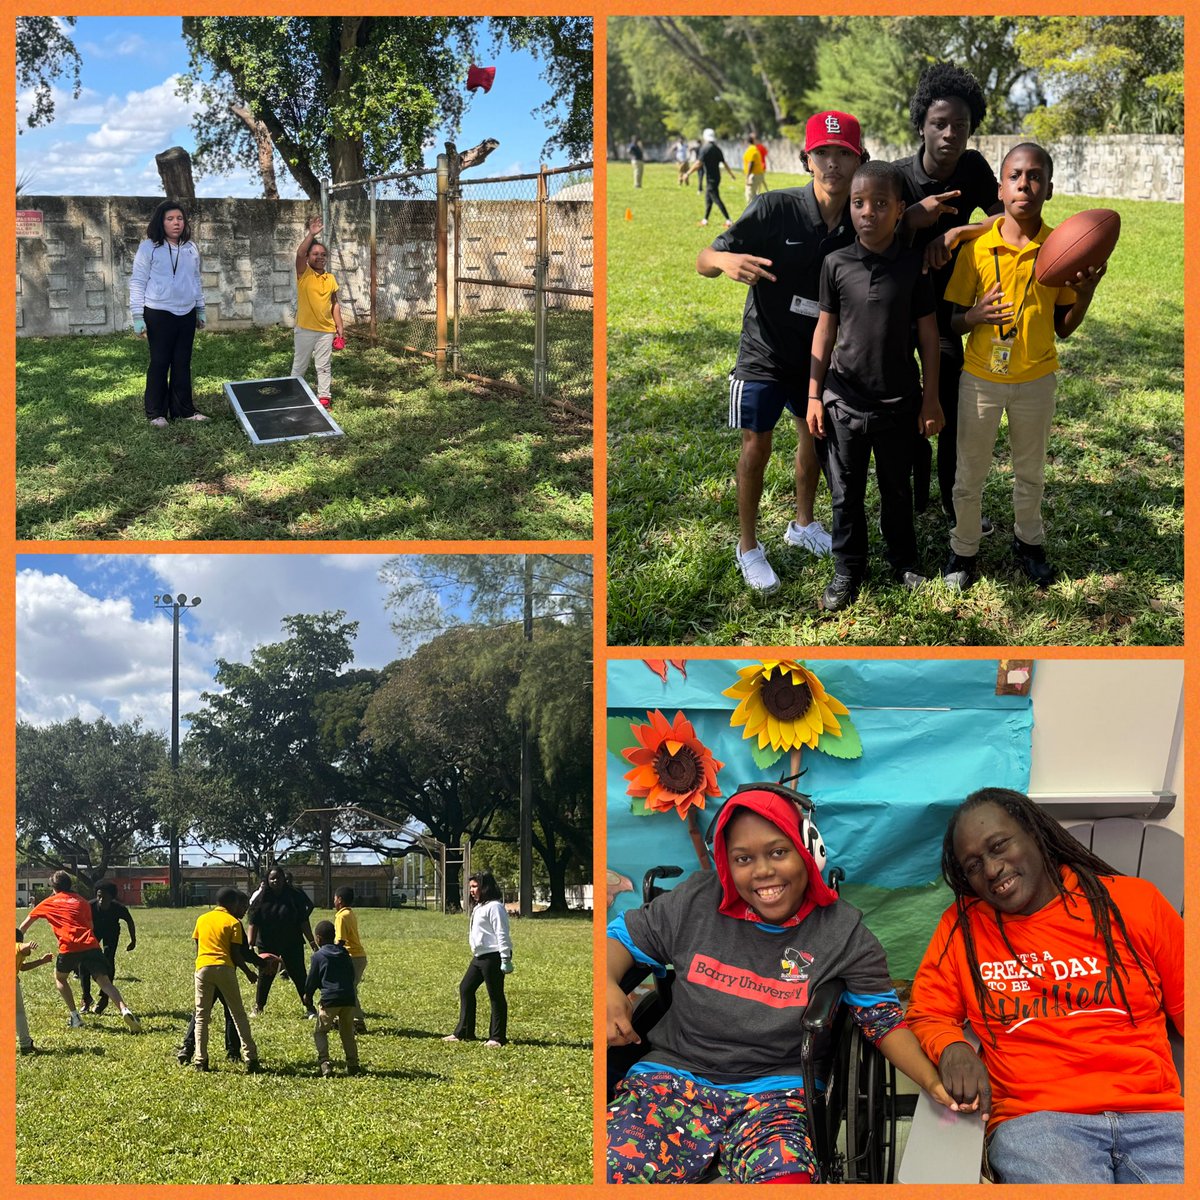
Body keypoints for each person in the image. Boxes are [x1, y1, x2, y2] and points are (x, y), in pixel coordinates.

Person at [606, 786, 955, 1183]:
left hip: (777, 1095)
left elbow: (883, 1021)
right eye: (743, 859)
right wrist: (605, 985)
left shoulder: (844, 933)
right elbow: (620, 939)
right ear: (725, 862)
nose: (762, 871)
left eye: (777, 852)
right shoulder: (695, 902)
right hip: (673, 1078)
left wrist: (932, 1082)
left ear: (809, 853)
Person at [907, 789, 1183, 1184]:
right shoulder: (964, 927)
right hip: (1039, 1123)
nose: (990, 870)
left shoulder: (1134, 905)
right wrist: (952, 1047)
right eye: (972, 865)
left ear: (1035, 834)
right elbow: (929, 1011)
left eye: (999, 846)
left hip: (1158, 1120)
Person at [697, 110, 867, 594]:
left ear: (858, 160)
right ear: (806, 158)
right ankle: (748, 546)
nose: (832, 163)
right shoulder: (774, 209)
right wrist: (725, 260)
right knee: (757, 446)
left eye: (843, 154)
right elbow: (704, 258)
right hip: (764, 351)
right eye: (823, 153)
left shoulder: (860, 221)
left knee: (812, 439)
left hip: (817, 354)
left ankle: (803, 524)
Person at [941, 143, 1105, 591]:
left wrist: (1086, 292)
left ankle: (1028, 543)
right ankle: (964, 550)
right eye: (1015, 176)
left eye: (1035, 177)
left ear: (1049, 189)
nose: (1024, 185)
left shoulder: (1061, 249)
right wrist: (973, 317)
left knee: (1030, 472)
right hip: (980, 379)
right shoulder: (976, 248)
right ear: (1000, 187)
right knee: (969, 473)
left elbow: (1064, 328)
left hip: (1035, 380)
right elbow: (950, 319)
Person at [808, 160, 943, 611]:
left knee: (896, 490)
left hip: (899, 404)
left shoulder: (912, 266)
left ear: (900, 210)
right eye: (859, 203)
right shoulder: (835, 263)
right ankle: (848, 567)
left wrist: (930, 399)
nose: (868, 212)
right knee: (845, 493)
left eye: (881, 204)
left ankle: (903, 560)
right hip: (844, 401)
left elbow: (928, 335)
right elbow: (824, 331)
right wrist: (814, 395)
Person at [894, 62, 1003, 526]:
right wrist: (910, 219)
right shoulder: (896, 179)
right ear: (921, 126)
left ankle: (951, 502)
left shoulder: (974, 168)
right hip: (897, 315)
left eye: (961, 126)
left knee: (954, 412)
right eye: (939, 124)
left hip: (946, 316)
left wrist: (960, 230)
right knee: (905, 410)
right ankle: (913, 502)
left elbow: (1008, 218)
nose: (950, 135)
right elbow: (867, 237)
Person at [19, 871, 142, 1032]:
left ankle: (75, 1017)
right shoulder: (82, 901)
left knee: (60, 978)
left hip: (69, 946)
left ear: (54, 887)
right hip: (91, 944)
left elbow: (23, 927)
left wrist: (16, 944)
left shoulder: (49, 902)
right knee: (105, 982)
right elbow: (90, 927)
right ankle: (125, 1010)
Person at [129, 198, 209, 427]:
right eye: (170, 219)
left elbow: (195, 280)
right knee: (160, 361)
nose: (176, 223)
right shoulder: (149, 247)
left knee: (182, 362)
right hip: (158, 312)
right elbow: (137, 281)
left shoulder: (191, 248)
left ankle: (184, 410)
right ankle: (156, 413)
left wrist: (200, 309)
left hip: (186, 312)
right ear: (161, 222)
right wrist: (137, 316)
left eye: (180, 218)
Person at [178, 890, 266, 1066]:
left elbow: (198, 945)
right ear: (232, 904)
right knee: (238, 1013)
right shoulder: (233, 922)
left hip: (202, 967)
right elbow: (236, 953)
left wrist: (200, 967)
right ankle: (250, 1057)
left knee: (201, 1016)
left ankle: (200, 1059)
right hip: (224, 967)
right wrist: (248, 972)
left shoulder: (202, 919)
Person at [443, 872, 512, 1048]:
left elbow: (502, 933)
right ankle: (464, 1032)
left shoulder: (495, 907)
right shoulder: (480, 906)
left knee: (495, 995)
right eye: (471, 887)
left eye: (475, 887)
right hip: (479, 957)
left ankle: (497, 1038)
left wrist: (505, 958)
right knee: (466, 988)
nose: (472, 890)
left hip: (493, 956)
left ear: (485, 887)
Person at [247, 865, 318, 1017]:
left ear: (283, 880)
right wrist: (250, 944)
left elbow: (303, 921)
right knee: (265, 976)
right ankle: (258, 1007)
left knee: (299, 975)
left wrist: (312, 941)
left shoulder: (294, 896)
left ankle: (310, 1008)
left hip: (292, 942)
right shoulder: (261, 898)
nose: (275, 881)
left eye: (278, 878)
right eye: (272, 878)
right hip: (267, 944)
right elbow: (253, 923)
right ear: (267, 880)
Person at [292, 216, 345, 409]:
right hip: (305, 329)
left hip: (326, 330)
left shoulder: (330, 278)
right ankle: (293, 395)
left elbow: (334, 304)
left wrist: (339, 326)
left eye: (323, 254)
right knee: (300, 366)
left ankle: (324, 398)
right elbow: (299, 254)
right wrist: (311, 234)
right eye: (315, 254)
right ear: (308, 257)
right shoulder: (303, 274)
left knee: (323, 366)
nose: (320, 257)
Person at [303, 919, 360, 1077]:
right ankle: (353, 1064)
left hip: (330, 999)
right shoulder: (344, 953)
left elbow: (312, 979)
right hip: (349, 997)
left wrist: (307, 995)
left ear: (318, 939)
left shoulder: (318, 956)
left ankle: (325, 1062)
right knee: (347, 1031)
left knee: (320, 1031)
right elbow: (351, 975)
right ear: (334, 936)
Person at [79, 879, 136, 1015]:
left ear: (111, 897)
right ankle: (86, 998)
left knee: (108, 960)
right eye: (99, 896)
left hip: (111, 931)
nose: (101, 899)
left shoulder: (118, 908)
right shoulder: (90, 906)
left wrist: (133, 940)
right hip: (94, 931)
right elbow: (80, 920)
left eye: (104, 897)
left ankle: (104, 998)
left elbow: (129, 921)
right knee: (83, 962)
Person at [334, 886, 368, 1034]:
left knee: (349, 991)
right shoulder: (350, 913)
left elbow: (340, 940)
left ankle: (358, 1022)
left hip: (351, 957)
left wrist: (331, 955)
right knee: (347, 990)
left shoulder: (341, 916)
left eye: (335, 898)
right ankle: (339, 1020)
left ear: (339, 900)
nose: (333, 901)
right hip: (359, 957)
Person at [685, 129, 735, 227]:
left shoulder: (705, 148)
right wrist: (731, 174)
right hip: (716, 177)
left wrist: (688, 173)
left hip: (711, 179)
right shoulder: (717, 149)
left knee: (716, 198)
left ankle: (729, 220)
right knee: (708, 198)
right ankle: (705, 220)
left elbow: (698, 164)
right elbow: (724, 163)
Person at [17, 929, 53, 1055]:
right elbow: (21, 948)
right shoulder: (15, 946)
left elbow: (23, 967)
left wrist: (42, 961)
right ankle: (25, 1044)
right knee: (19, 1013)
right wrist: (28, 945)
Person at [742, 136, 766, 205]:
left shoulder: (750, 150)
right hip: (759, 175)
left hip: (753, 176)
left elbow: (751, 163)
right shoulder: (755, 149)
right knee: (755, 196)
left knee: (749, 197)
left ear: (746, 142)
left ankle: (752, 214)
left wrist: (747, 176)